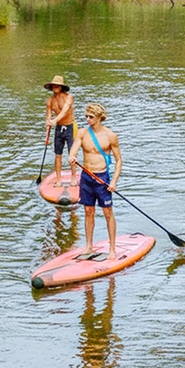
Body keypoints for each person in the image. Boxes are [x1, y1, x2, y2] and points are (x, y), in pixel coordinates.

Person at [68, 103, 122, 260]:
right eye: (86, 116)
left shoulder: (110, 136)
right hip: (86, 177)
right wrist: (72, 157)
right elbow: (74, 149)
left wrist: (114, 181)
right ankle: (89, 246)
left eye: (91, 117)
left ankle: (112, 249)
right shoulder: (83, 133)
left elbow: (119, 160)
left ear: (99, 118)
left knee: (107, 212)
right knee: (88, 211)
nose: (87, 119)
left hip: (102, 178)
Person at [45, 75, 77, 187]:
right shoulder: (50, 101)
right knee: (57, 154)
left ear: (61, 87)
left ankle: (73, 177)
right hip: (59, 128)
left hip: (70, 127)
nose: (55, 87)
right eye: (54, 85)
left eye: (58, 85)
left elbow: (64, 111)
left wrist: (55, 120)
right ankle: (58, 179)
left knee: (71, 154)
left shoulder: (69, 97)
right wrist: (47, 135)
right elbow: (48, 118)